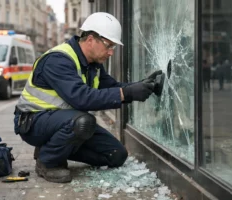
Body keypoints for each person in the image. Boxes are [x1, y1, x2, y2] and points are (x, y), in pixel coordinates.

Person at [13, 12, 162, 183]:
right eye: (109, 46)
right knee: (84, 122)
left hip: (66, 122)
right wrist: (126, 93)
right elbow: (81, 98)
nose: (111, 52)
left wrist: (141, 86)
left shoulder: (93, 64)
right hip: (33, 122)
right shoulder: (58, 60)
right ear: (90, 39)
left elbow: (112, 87)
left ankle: (49, 148)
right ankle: (47, 162)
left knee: (116, 155)